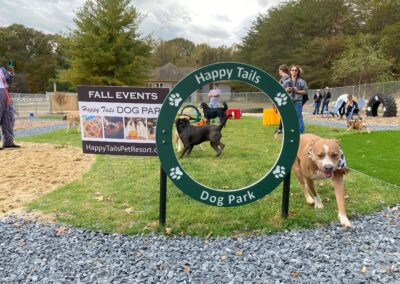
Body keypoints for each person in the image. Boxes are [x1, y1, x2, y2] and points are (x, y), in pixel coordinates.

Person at [282, 64, 308, 134]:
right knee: (288, 117)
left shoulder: (302, 81)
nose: (294, 72)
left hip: (298, 101)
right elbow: (280, 91)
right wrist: (286, 90)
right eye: (292, 70)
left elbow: (305, 92)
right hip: (288, 101)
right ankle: (289, 131)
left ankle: (301, 132)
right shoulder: (286, 81)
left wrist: (297, 91)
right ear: (290, 71)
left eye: (296, 70)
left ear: (298, 72)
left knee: (298, 117)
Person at [0, 64, 19, 148]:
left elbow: (7, 80)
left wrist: (10, 73)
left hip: (5, 92)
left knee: (9, 117)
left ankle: (8, 142)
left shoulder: (2, 69)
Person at [274, 64, 290, 135]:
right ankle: (280, 128)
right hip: (281, 99)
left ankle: (281, 129)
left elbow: (288, 89)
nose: (278, 72)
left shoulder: (288, 79)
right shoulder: (282, 79)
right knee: (282, 114)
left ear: (282, 70)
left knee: (285, 114)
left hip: (286, 99)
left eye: (279, 70)